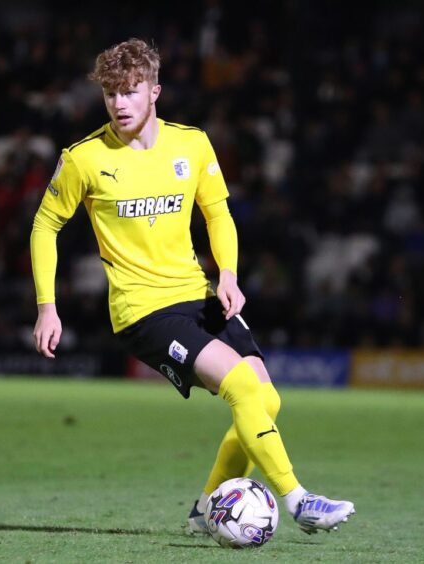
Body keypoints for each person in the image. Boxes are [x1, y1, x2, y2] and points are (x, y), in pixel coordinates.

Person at [30, 38, 355, 536]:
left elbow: (218, 211)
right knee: (244, 387)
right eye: (111, 93)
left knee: (266, 402)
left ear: (154, 92)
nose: (119, 103)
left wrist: (228, 274)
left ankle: (205, 513)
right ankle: (298, 501)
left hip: (196, 294)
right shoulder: (85, 159)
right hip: (142, 311)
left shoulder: (192, 144)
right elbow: (44, 225)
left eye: (130, 91)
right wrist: (47, 307)